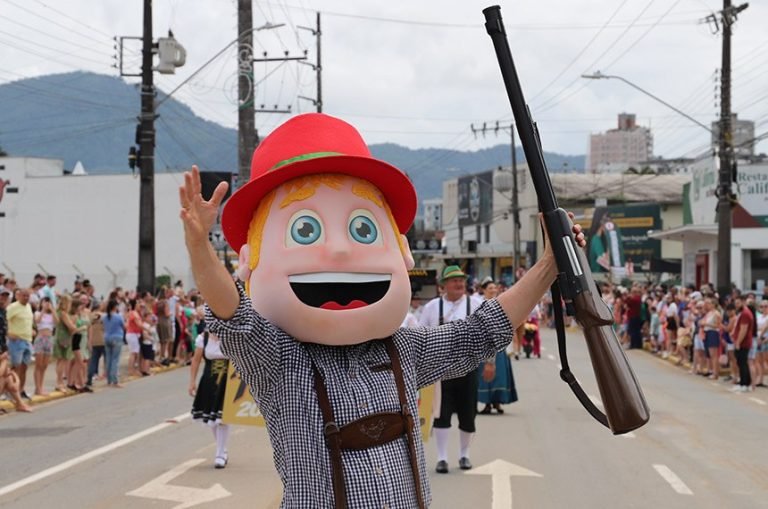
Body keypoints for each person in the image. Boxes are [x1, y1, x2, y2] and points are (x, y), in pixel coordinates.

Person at [179, 113, 586, 508]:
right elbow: (235, 318)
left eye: (363, 228)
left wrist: (550, 264)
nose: (339, 249)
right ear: (252, 261)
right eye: (306, 230)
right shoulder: (280, 360)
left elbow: (482, 330)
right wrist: (200, 248)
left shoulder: (404, 350)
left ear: (403, 251)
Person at [419, 265, 482, 474]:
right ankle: (442, 457)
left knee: (468, 413)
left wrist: (488, 361)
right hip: (440, 370)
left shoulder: (475, 304)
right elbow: (420, 335)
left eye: (461, 280)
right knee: (441, 414)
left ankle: (464, 455)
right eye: (454, 280)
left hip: (468, 368)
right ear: (443, 285)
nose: (459, 283)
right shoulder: (432, 307)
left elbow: (487, 335)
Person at [189, 330, 231, 468]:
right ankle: (222, 448)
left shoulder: (230, 335)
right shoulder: (203, 338)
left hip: (228, 381)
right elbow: (196, 360)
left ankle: (219, 454)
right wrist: (192, 382)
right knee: (212, 419)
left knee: (223, 418)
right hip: (209, 381)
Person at [476, 280, 517, 415]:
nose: (493, 290)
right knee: (486, 375)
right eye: (490, 288)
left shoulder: (501, 303)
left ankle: (498, 402)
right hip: (485, 344)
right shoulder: (479, 304)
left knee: (500, 375)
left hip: (500, 344)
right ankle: (487, 403)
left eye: (494, 287)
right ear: (484, 290)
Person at [6, 288, 35, 399]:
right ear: (18, 296)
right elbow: (5, 319)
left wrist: (32, 329)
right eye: (24, 295)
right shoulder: (13, 307)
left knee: (25, 367)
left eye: (28, 296)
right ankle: (11, 391)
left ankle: (21, 389)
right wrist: (8, 333)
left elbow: (29, 320)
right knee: (15, 367)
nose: (26, 298)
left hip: (28, 340)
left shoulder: (28, 307)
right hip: (16, 341)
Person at [33, 296, 58, 396]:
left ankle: (41, 386)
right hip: (40, 338)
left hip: (49, 338)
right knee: (38, 365)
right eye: (44, 302)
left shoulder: (51, 315)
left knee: (44, 365)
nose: (46, 304)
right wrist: (43, 309)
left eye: (48, 302)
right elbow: (37, 321)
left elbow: (57, 322)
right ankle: (38, 388)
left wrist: (52, 310)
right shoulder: (38, 313)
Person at [731, 296, 754, 392]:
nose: (736, 305)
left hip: (743, 343)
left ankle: (744, 384)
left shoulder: (745, 313)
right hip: (742, 342)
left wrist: (738, 342)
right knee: (742, 362)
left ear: (743, 302)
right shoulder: (742, 313)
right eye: (735, 303)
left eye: (738, 303)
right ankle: (746, 383)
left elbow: (743, 330)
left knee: (742, 363)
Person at [102, 300, 125, 387]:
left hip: (107, 337)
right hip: (117, 337)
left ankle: (109, 380)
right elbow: (124, 326)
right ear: (115, 307)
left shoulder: (104, 317)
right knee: (115, 359)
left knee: (108, 359)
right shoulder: (118, 316)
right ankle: (115, 380)